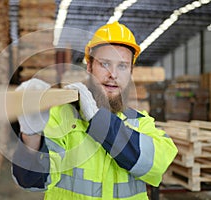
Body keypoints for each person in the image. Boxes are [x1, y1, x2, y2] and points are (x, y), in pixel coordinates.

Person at [11, 21, 178, 200]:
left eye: (122, 66)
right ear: (89, 67)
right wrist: (31, 136)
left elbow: (157, 164)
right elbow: (32, 181)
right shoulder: (62, 116)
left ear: (130, 72)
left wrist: (99, 120)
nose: (113, 74)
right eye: (105, 64)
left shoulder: (141, 122)